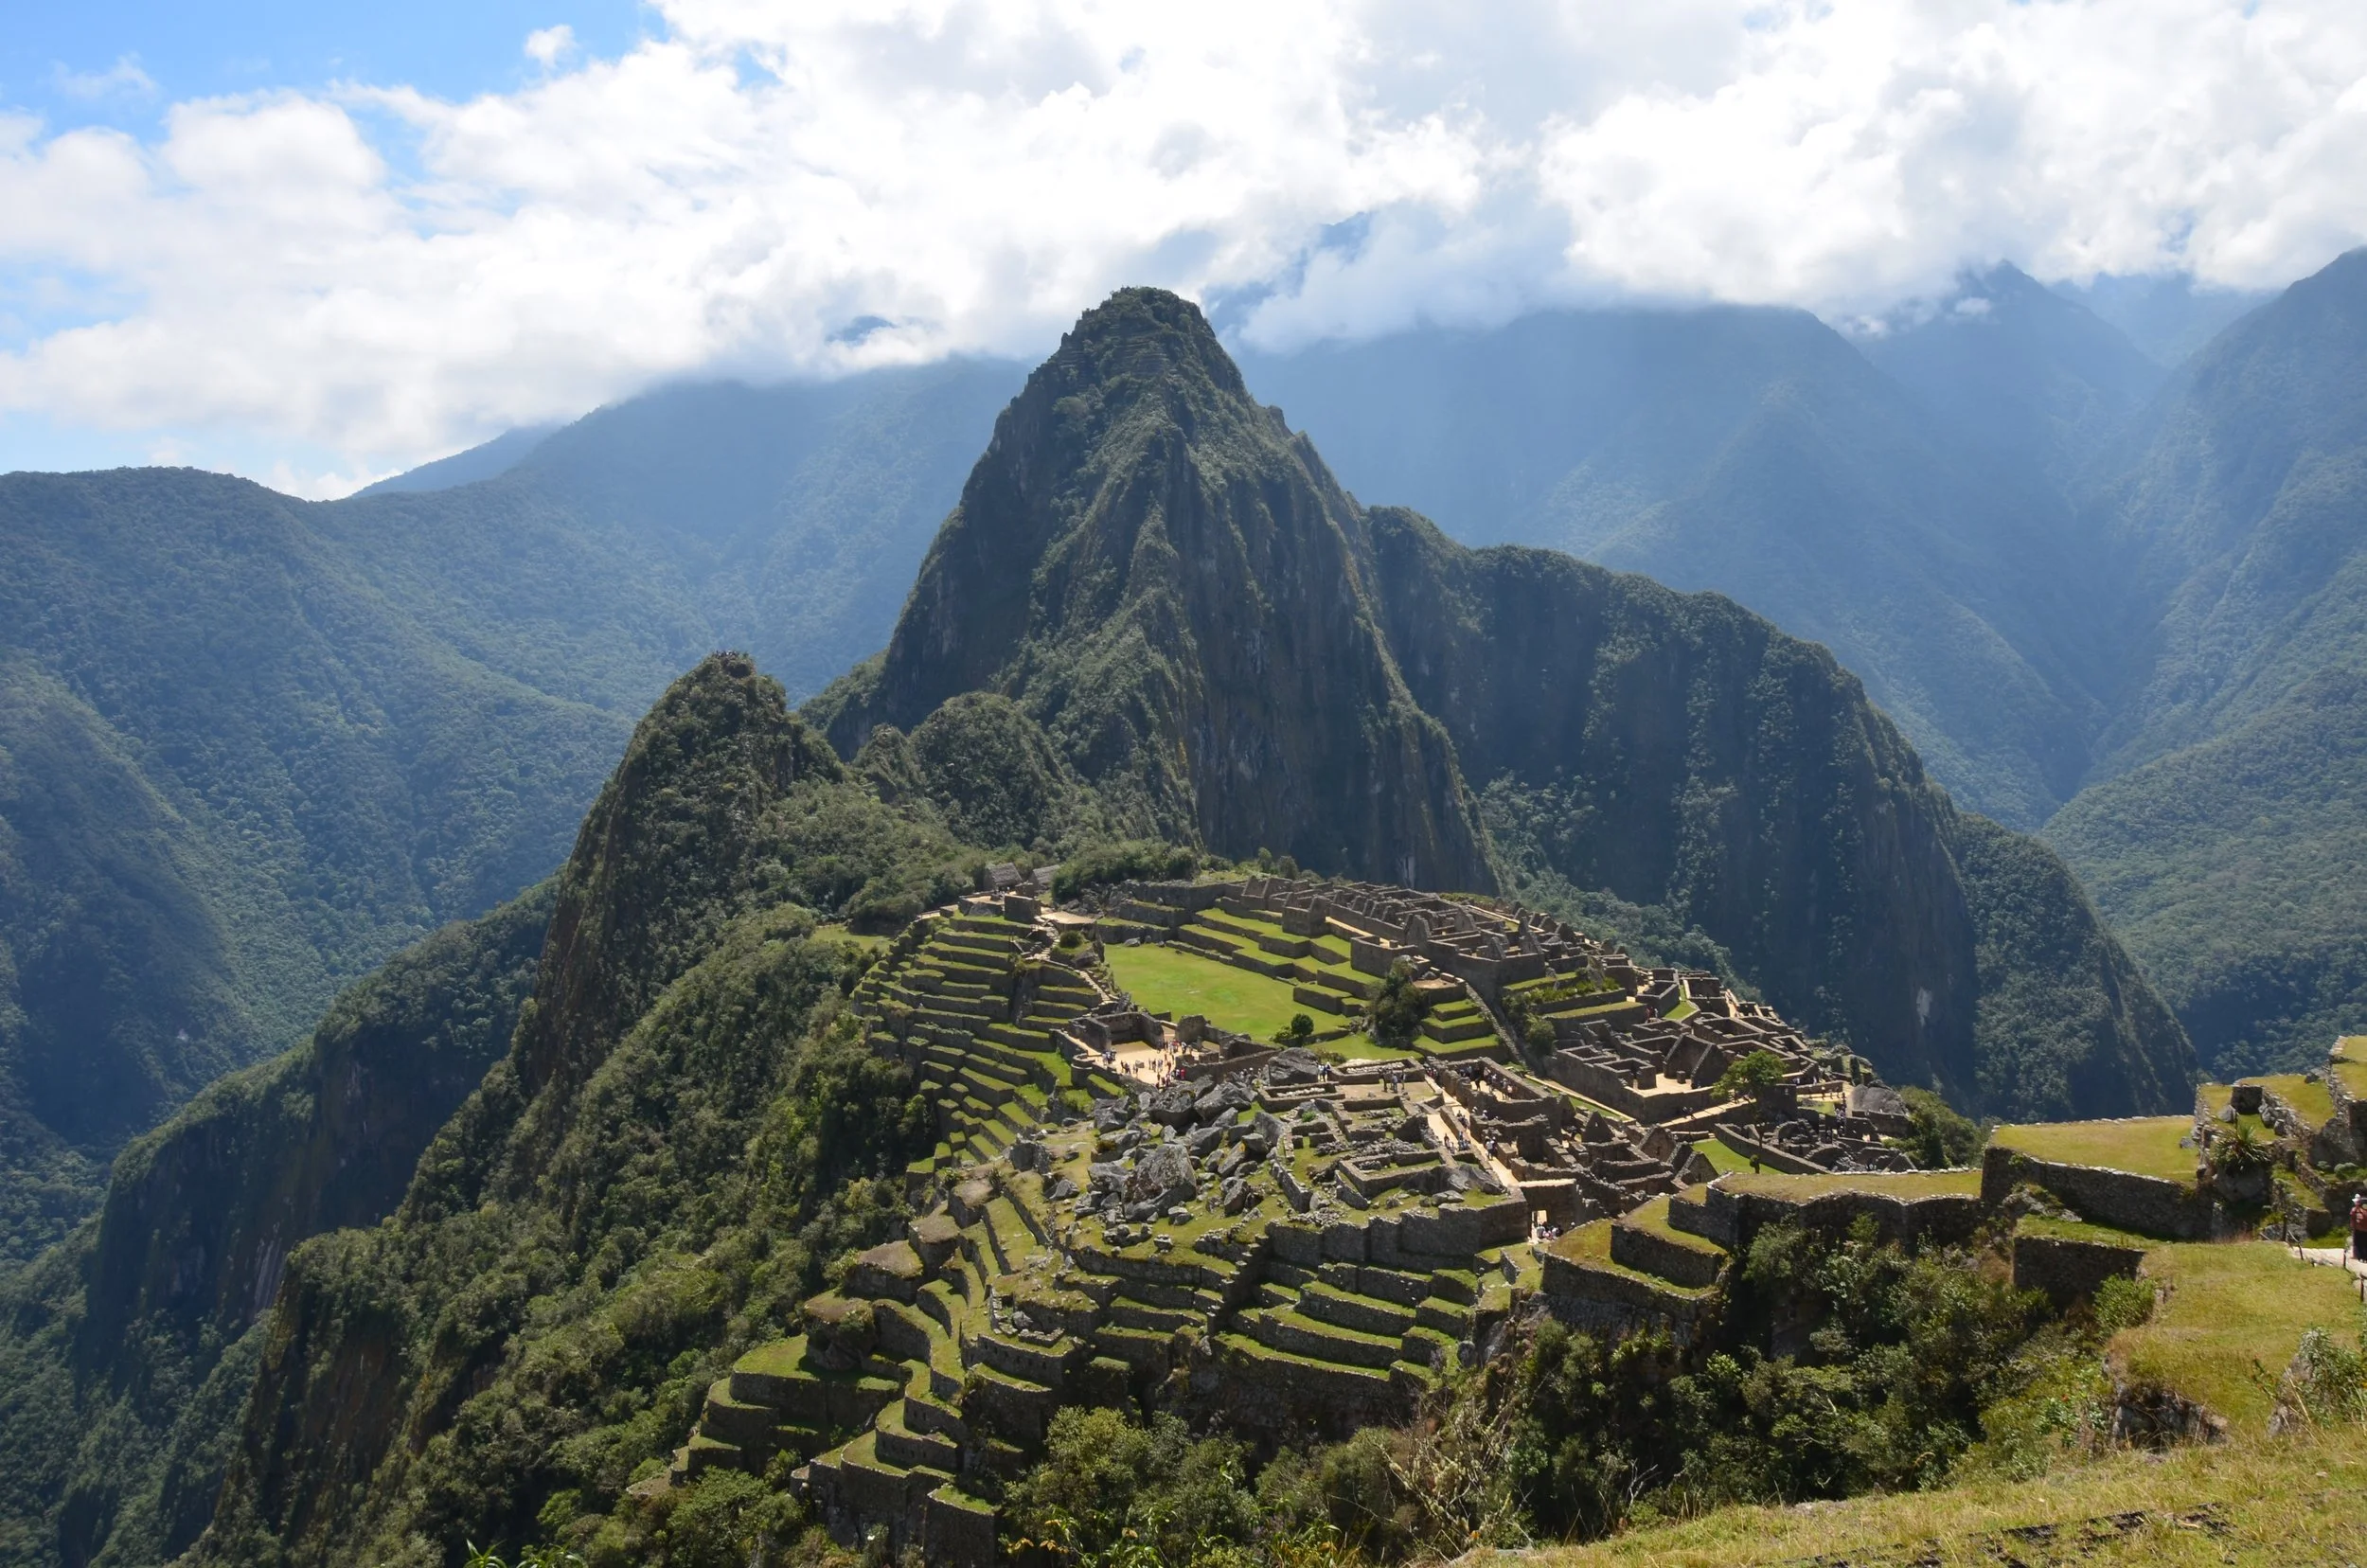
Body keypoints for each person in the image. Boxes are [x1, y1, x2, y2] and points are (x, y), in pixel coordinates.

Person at [2353, 1194, 2367, 1264]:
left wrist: (2353, 1226)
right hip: (2364, 1230)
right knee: (2364, 1243)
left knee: (2358, 1243)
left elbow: (2352, 1217)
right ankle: (2364, 1257)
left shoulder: (2356, 1210)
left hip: (2358, 1229)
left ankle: (2359, 1256)